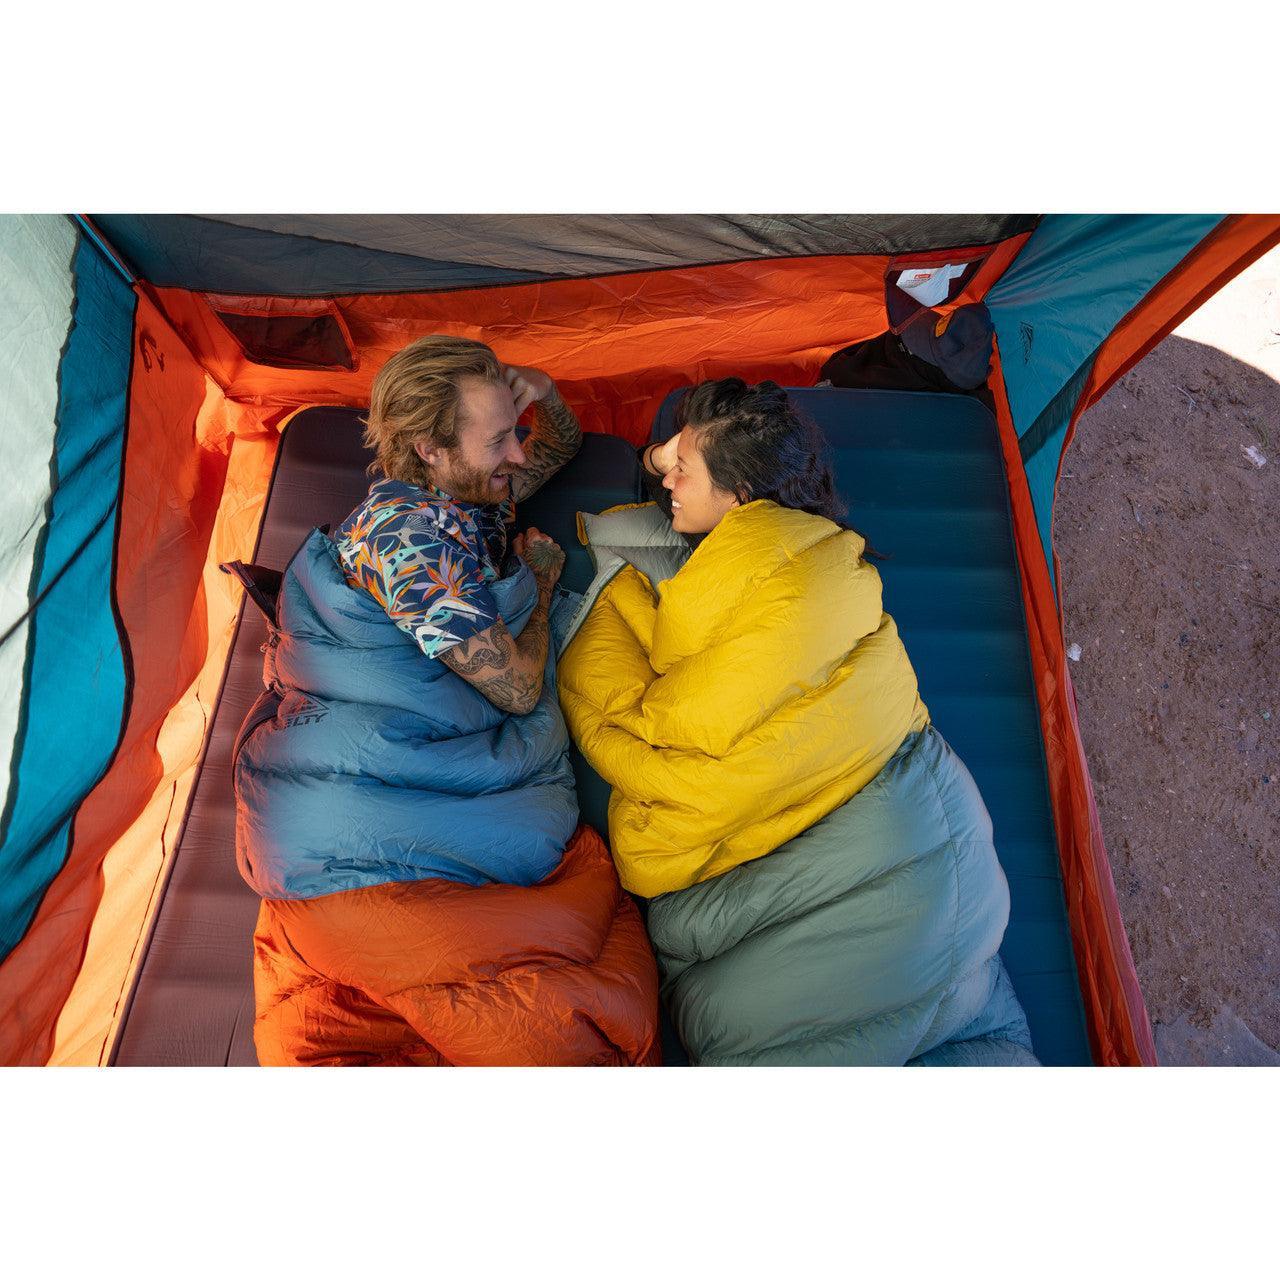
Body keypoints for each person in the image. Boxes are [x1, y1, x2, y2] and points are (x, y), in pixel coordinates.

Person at [559, 378, 1038, 1066]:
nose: (666, 478)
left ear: (740, 494)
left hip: (889, 847)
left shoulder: (795, 574)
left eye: (682, 470)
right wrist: (682, 451)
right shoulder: (818, 555)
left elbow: (674, 735)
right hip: (926, 854)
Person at [234, 335, 659, 1067]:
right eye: (499, 439)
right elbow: (520, 688)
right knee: (542, 1018)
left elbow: (556, 445)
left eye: (510, 432)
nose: (518, 457)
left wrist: (540, 392)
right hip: (360, 835)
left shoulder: (466, 495)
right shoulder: (413, 546)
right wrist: (544, 584)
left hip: (383, 813)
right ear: (429, 448)